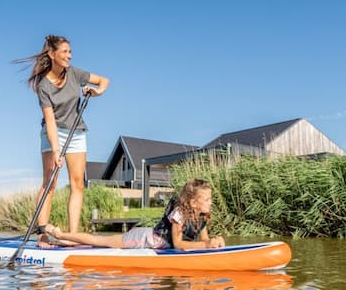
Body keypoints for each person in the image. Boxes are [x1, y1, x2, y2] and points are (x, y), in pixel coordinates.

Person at [16, 35, 109, 248]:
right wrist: (56, 149)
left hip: (77, 132)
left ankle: (73, 236)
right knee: (50, 182)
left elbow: (104, 81)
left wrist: (97, 92)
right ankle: (43, 234)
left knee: (77, 184)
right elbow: (49, 120)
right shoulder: (43, 86)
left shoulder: (75, 74)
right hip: (54, 133)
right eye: (65, 51)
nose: (69, 55)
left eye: (70, 51)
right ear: (52, 54)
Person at [44, 179, 226, 249]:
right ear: (193, 202)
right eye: (208, 199)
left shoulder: (202, 218)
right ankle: (61, 235)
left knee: (99, 242)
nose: (211, 202)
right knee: (100, 241)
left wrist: (213, 243)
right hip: (142, 239)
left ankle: (65, 242)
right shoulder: (179, 213)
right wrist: (207, 245)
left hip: (153, 240)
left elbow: (204, 241)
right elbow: (178, 243)